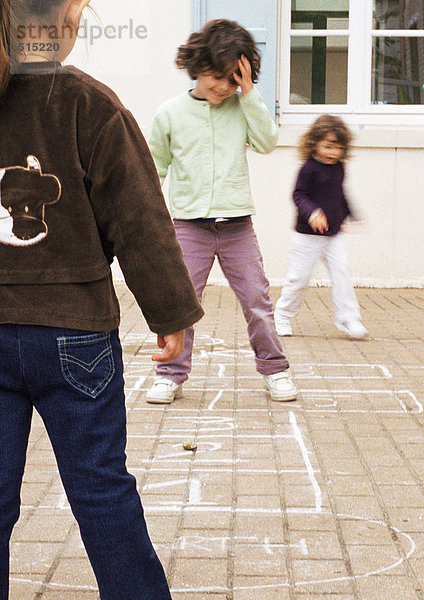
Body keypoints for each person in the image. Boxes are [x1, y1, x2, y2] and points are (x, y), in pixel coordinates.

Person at [0, 1, 204, 599]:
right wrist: (169, 316)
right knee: (100, 488)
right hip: (74, 334)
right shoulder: (89, 102)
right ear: (64, 17)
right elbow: (138, 219)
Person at [146, 19, 297, 405]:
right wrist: (149, 221)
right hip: (188, 226)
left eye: (232, 80)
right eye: (216, 77)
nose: (222, 87)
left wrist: (249, 95)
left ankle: (275, 369)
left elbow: (266, 143)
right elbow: (153, 170)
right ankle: (170, 374)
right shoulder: (170, 113)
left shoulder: (242, 105)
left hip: (237, 227)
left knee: (258, 302)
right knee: (180, 303)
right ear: (196, 66)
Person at [274, 114, 368, 339]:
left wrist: (349, 214)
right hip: (307, 236)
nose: (332, 153)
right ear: (314, 143)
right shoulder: (308, 169)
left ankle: (348, 318)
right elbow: (298, 195)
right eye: (327, 146)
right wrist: (313, 213)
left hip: (333, 236)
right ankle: (282, 315)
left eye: (337, 148)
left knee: (342, 271)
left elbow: (339, 194)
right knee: (299, 277)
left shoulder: (339, 168)